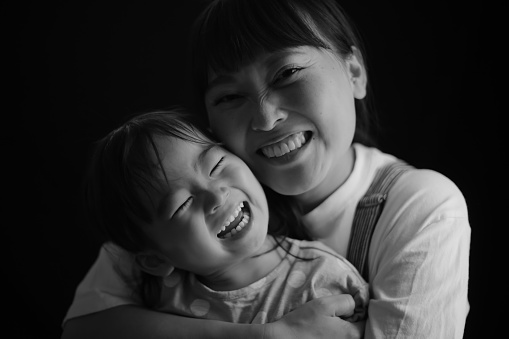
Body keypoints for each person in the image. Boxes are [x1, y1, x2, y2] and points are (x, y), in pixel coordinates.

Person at [62, 0, 471, 338]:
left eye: (287, 73)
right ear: (208, 124)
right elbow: (83, 327)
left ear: (354, 73)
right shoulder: (182, 193)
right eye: (229, 96)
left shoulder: (419, 205)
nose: (264, 118)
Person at [75, 109, 369, 324]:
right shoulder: (159, 301)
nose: (216, 196)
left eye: (216, 165)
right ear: (155, 260)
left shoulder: (323, 278)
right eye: (182, 205)